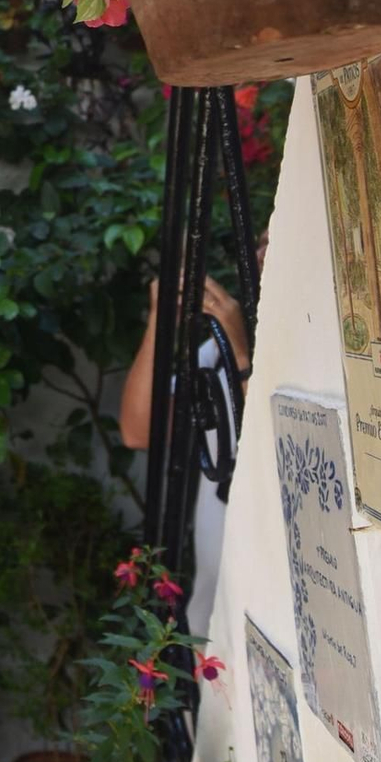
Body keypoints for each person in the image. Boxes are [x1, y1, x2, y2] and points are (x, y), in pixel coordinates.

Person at [119, 270, 253, 637]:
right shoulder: (215, 351)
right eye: (259, 241)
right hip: (219, 601)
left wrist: (241, 353)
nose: (261, 253)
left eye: (272, 242)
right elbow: (137, 430)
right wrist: (161, 321)